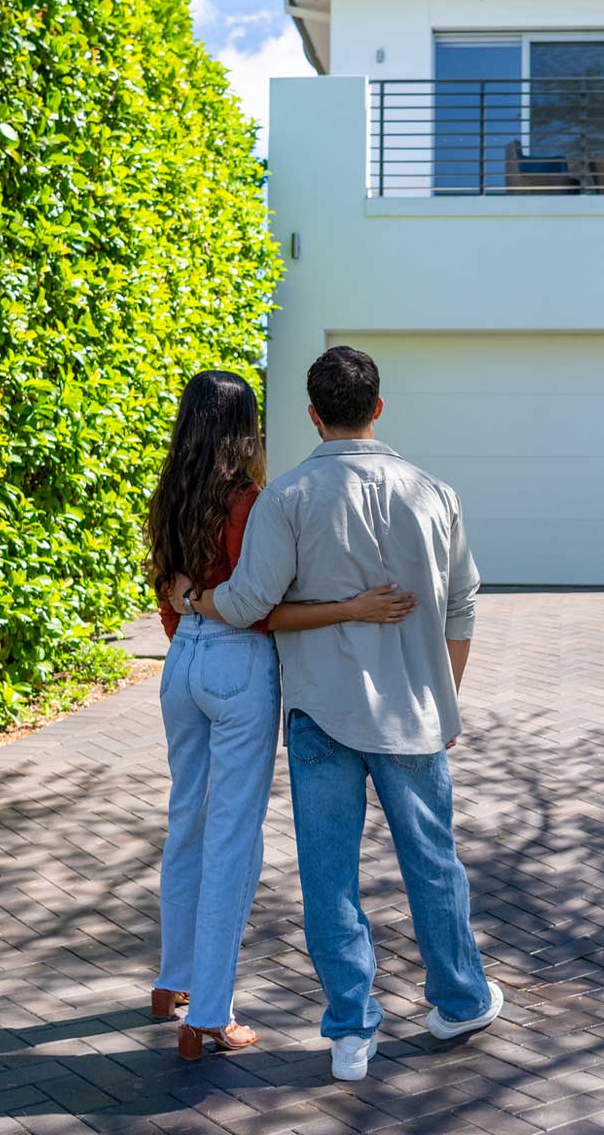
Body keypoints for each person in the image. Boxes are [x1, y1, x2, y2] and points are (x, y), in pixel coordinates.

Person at [185, 346, 501, 1082]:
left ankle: (350, 1032)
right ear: (379, 408)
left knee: (329, 880)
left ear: (312, 414)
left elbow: (247, 605)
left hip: (321, 716)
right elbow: (462, 606)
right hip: (415, 716)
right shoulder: (435, 493)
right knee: (433, 864)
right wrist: (443, 693)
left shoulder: (287, 498)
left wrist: (192, 600)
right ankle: (461, 1000)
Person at [146, 369, 414, 1062]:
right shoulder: (251, 502)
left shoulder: (168, 492)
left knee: (188, 821)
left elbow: (169, 591)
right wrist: (349, 608)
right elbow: (259, 606)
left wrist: (192, 621)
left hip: (181, 665)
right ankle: (209, 1013)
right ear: (247, 427)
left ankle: (172, 979)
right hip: (238, 663)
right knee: (234, 837)